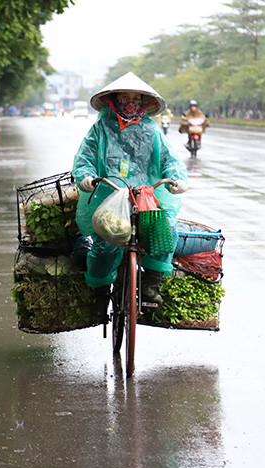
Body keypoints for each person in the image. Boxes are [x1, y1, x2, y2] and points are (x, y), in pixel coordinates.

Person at [72, 72, 188, 305]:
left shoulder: (152, 130)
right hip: (110, 194)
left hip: (146, 195)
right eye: (125, 97)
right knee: (106, 242)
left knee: (164, 232)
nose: (130, 102)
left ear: (143, 102)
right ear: (114, 100)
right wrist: (86, 177)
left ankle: (150, 285)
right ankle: (100, 290)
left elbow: (170, 159)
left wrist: (176, 179)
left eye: (135, 98)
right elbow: (84, 157)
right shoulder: (101, 129)